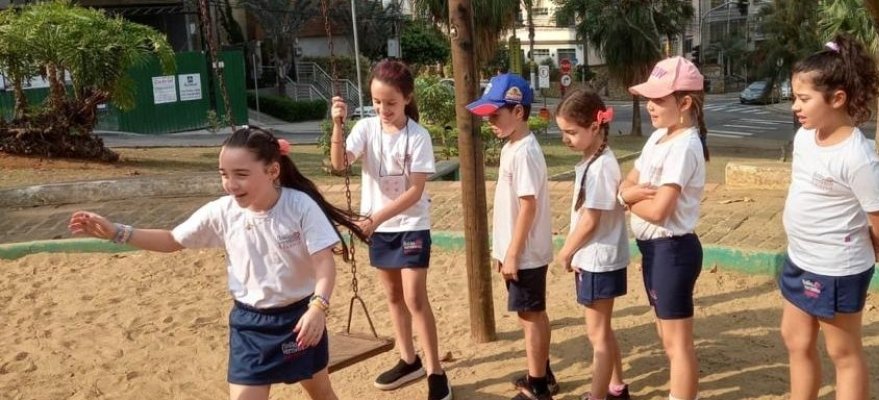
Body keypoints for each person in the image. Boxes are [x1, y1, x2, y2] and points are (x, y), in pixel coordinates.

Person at [68, 126, 366, 400]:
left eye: (240, 174)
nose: (230, 184)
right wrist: (117, 232)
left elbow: (324, 265)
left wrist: (318, 307)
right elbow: (172, 240)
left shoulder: (299, 207)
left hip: (299, 321)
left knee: (322, 393)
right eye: (223, 173)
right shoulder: (222, 213)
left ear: (273, 170)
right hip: (250, 326)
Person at [780, 34, 879, 400]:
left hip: (837, 268)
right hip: (799, 258)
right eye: (794, 98)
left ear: (837, 99)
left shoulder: (858, 158)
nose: (794, 107)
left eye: (803, 99)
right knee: (795, 339)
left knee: (842, 352)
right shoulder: (805, 137)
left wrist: (874, 242)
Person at [328, 59, 451, 400]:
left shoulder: (418, 137)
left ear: (408, 99)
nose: (383, 109)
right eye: (377, 102)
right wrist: (337, 124)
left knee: (414, 297)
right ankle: (408, 359)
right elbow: (340, 164)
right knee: (393, 296)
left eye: (391, 103)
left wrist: (375, 219)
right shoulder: (366, 129)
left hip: (409, 224)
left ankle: (435, 372)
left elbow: (415, 190)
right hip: (378, 227)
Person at [618, 56, 710, 400]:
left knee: (677, 343)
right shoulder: (658, 139)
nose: (650, 107)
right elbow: (628, 180)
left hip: (673, 250)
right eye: (648, 100)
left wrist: (626, 199)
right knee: (666, 336)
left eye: (658, 100)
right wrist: (628, 192)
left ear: (684, 103)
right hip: (654, 250)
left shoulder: (684, 146)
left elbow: (658, 210)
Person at [467, 73, 558, 400]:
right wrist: (501, 249)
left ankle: (536, 386)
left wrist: (514, 253)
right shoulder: (512, 146)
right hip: (516, 250)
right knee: (530, 313)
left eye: (495, 114)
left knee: (530, 315)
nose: (490, 121)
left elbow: (528, 207)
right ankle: (542, 372)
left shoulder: (525, 153)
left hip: (526, 253)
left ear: (518, 112)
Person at [554, 88, 632, 400]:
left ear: (595, 127)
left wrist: (566, 249)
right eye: (563, 132)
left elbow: (590, 219)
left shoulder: (600, 166)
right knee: (603, 329)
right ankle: (616, 386)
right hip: (597, 258)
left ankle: (598, 395)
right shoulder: (595, 159)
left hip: (598, 260)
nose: (566, 139)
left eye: (572, 132)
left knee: (597, 334)